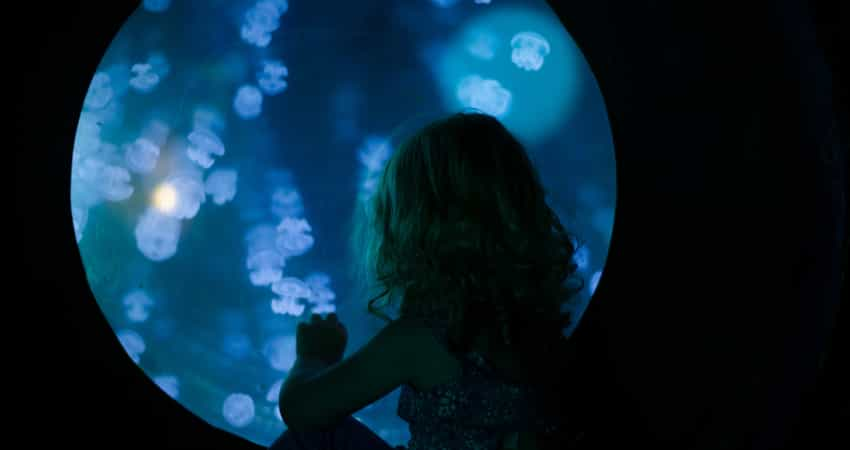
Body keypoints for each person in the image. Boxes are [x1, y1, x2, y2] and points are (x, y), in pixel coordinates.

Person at [271, 111, 585, 450]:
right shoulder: (538, 334)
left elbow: (301, 410)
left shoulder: (421, 339)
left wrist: (312, 358)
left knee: (314, 438)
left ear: (411, 228)